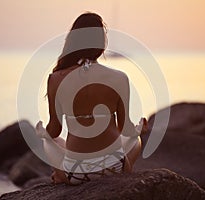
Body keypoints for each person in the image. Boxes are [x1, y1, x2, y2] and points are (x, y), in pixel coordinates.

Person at [36, 12, 148, 185]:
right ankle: (123, 173)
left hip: (75, 173)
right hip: (115, 167)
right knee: (136, 140)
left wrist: (42, 133)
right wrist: (139, 129)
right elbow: (126, 130)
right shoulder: (120, 77)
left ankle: (60, 175)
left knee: (52, 141)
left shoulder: (55, 79)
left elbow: (55, 131)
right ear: (101, 43)